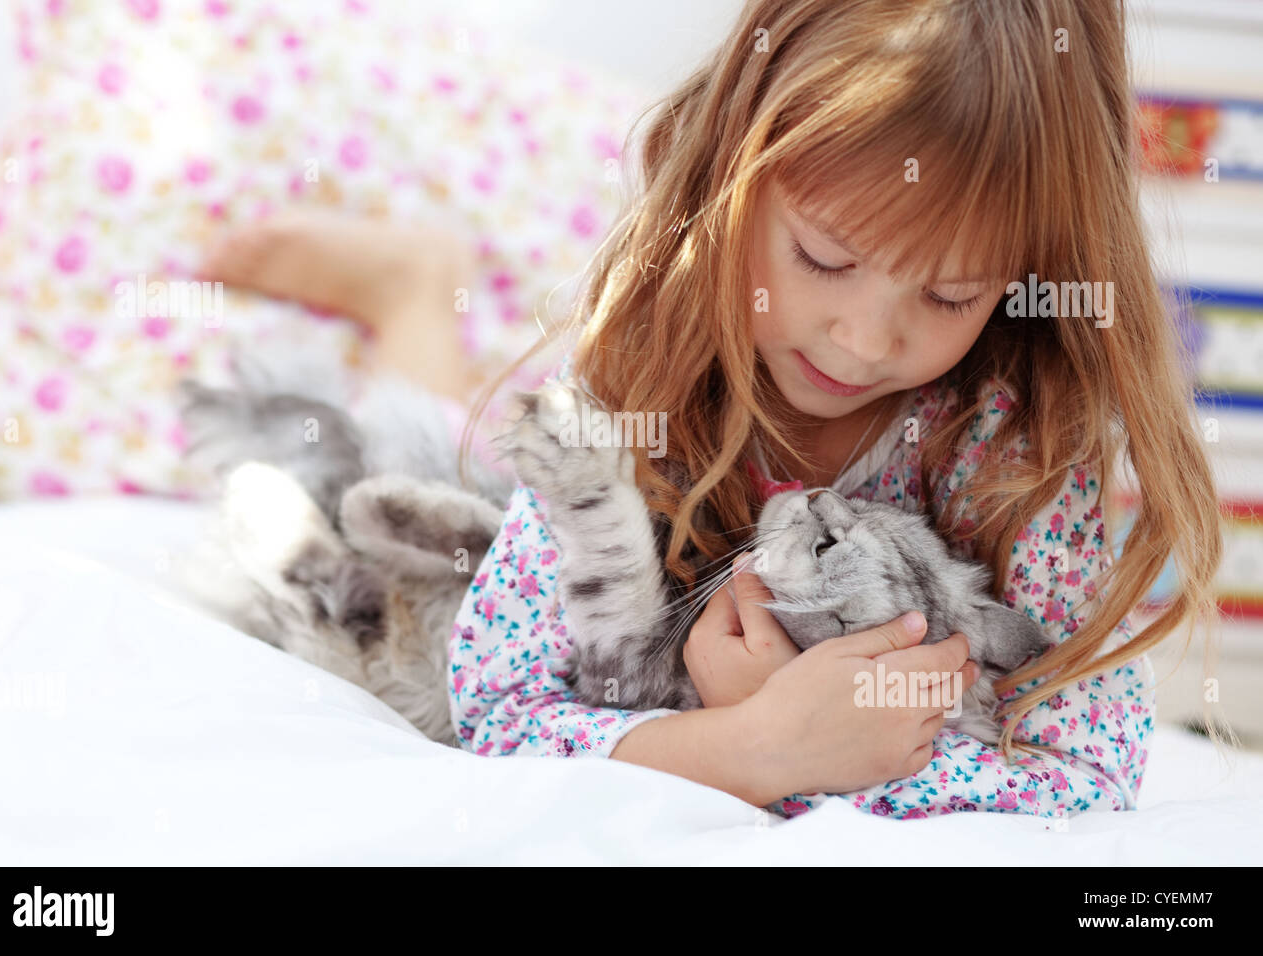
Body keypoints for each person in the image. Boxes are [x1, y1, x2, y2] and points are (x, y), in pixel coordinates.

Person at [211, 0, 1226, 820]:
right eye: (824, 258)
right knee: (427, 489)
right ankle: (415, 295)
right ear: (730, 176)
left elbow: (1087, 778)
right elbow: (498, 700)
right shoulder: (635, 389)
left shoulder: (1017, 448)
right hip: (548, 480)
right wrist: (755, 744)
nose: (865, 339)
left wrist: (813, 751)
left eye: (950, 294)